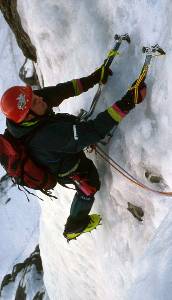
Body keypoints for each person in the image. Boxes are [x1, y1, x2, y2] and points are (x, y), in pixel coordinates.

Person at [0, 63, 146, 241]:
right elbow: (93, 131)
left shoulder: (30, 106)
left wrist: (94, 78)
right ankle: (75, 225)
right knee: (90, 182)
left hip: (57, 144)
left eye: (34, 96)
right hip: (67, 167)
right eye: (35, 101)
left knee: (73, 134)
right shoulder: (48, 136)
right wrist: (129, 101)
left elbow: (63, 91)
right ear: (28, 117)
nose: (40, 98)